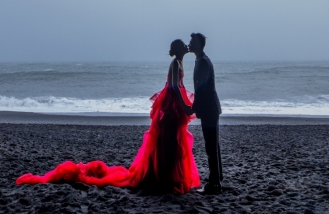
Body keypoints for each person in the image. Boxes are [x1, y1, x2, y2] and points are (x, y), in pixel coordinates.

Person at [16, 40, 200, 194]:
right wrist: (184, 105)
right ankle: (164, 177)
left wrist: (184, 103)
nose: (186, 46)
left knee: (171, 142)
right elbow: (174, 87)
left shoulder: (179, 63)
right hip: (170, 106)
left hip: (171, 104)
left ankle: (167, 176)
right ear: (177, 49)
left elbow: (177, 86)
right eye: (182, 44)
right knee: (168, 141)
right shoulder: (175, 63)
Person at [189, 32, 223, 194]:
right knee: (212, 144)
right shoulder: (200, 60)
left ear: (198, 44)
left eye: (191, 41)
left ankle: (214, 183)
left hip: (209, 109)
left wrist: (193, 108)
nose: (189, 44)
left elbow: (201, 88)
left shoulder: (202, 62)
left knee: (211, 146)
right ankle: (216, 180)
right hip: (210, 108)